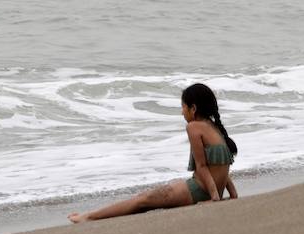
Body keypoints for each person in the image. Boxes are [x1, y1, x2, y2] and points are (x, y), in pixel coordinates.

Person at [68, 83, 238, 223]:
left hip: (198, 190)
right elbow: (221, 167)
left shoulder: (193, 127)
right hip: (209, 190)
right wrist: (231, 194)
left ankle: (88, 217)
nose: (181, 112)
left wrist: (214, 199)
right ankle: (90, 215)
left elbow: (201, 166)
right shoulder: (215, 128)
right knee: (145, 201)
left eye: (183, 107)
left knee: (142, 200)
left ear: (193, 109)